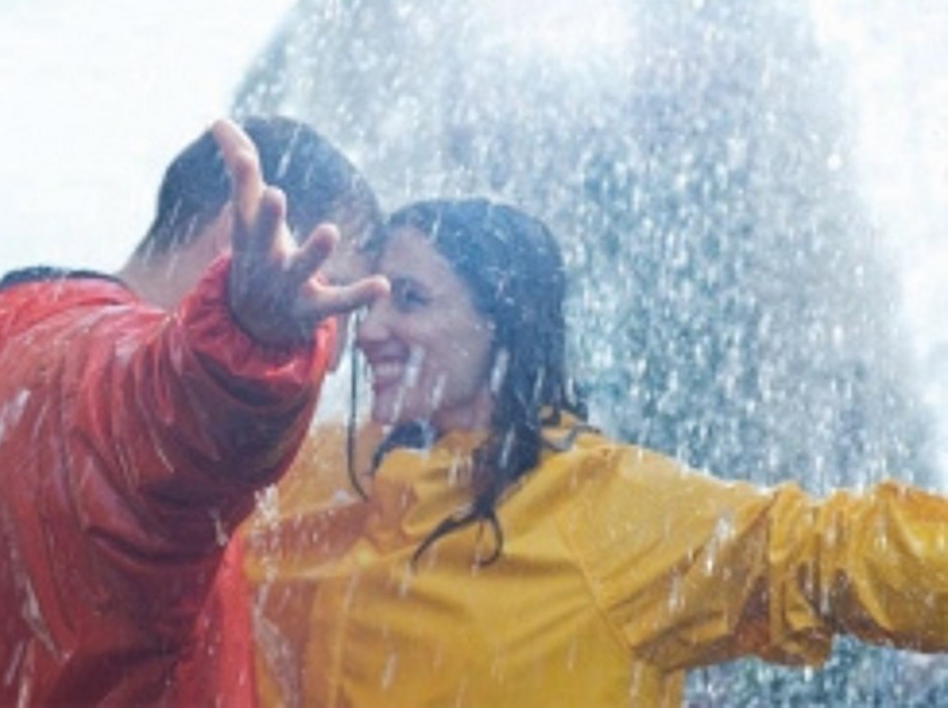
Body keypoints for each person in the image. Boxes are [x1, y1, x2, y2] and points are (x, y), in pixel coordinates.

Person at [240, 197, 948, 706]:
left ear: (501, 325)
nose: (370, 332)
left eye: (413, 300)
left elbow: (822, 550)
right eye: (373, 304)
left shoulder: (601, 505)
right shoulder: (325, 470)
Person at [0, 116, 388, 707]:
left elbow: (41, 539)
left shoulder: (25, 356)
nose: (337, 348)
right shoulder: (123, 369)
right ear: (234, 242)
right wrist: (250, 338)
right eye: (328, 286)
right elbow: (163, 420)